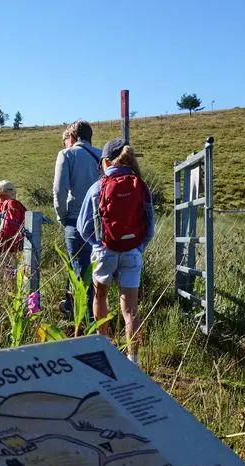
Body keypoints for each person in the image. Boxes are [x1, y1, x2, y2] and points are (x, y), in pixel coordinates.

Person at [76, 138, 154, 365]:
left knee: (100, 298)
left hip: (104, 252)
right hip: (132, 253)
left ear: (106, 161)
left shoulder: (98, 187)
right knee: (130, 308)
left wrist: (99, 244)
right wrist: (137, 247)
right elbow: (149, 227)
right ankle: (133, 360)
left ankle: (106, 353)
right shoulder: (141, 185)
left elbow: (83, 227)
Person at [53, 120, 101, 318]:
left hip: (76, 219)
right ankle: (90, 314)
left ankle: (85, 320)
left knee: (80, 272)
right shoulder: (102, 156)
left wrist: (62, 217)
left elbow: (59, 189)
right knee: (97, 270)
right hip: (100, 221)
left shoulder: (67, 154)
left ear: (71, 138)